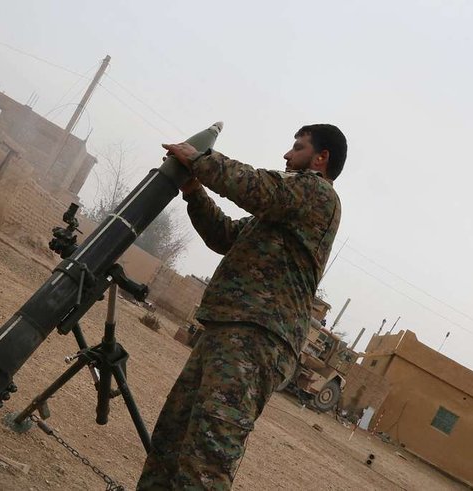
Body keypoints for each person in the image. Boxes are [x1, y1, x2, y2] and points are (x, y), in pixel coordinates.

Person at [137, 124, 347, 490]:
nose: (286, 155)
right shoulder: (281, 214)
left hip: (257, 338)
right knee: (172, 440)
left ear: (321, 157)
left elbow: (257, 187)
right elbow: (224, 236)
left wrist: (200, 159)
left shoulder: (316, 193)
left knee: (207, 456)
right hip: (228, 331)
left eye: (297, 147)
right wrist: (192, 191)